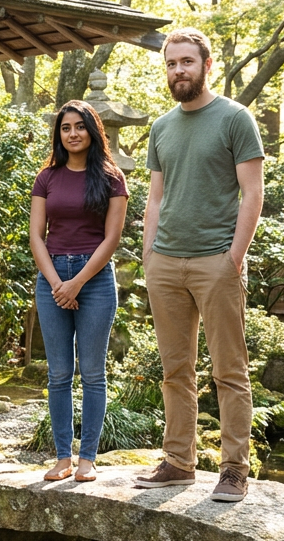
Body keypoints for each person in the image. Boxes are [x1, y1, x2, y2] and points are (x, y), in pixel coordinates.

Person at [133, 27, 264, 501]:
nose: (178, 70)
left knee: (229, 371)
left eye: (186, 62)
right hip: (165, 263)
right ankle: (178, 462)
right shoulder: (162, 126)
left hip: (217, 262)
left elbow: (253, 192)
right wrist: (148, 255)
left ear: (207, 65)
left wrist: (235, 257)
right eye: (171, 63)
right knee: (175, 371)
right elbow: (155, 197)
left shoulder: (235, 118)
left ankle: (234, 469)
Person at [29, 99, 127, 483]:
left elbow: (112, 237)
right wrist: (57, 283)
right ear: (59, 134)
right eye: (66, 127)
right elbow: (37, 236)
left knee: (93, 374)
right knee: (58, 375)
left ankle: (88, 459)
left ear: (92, 131)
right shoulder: (47, 177)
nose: (72, 133)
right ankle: (62, 457)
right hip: (52, 277)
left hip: (96, 279)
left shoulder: (111, 177)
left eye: (80, 127)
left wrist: (78, 282)